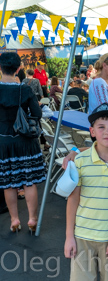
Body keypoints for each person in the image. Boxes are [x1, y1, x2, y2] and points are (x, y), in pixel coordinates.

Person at [64, 103, 108, 281]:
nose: (107, 132)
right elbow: (73, 200)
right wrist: (69, 237)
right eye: (101, 127)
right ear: (92, 131)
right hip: (82, 237)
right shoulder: (80, 161)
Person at [0, 52, 46, 233]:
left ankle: (14, 219)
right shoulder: (25, 89)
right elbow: (38, 114)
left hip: (3, 142)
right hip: (25, 141)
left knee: (9, 182)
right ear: (18, 68)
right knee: (29, 181)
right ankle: (32, 219)